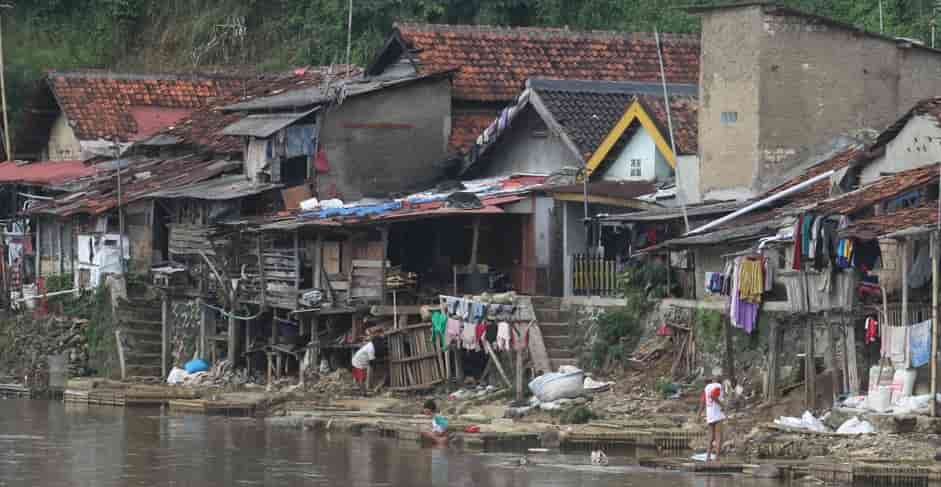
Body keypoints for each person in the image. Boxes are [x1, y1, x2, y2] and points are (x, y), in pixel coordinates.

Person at [698, 376, 726, 463]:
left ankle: (708, 457)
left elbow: (703, 401)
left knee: (711, 436)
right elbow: (713, 396)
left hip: (709, 413)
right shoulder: (718, 386)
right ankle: (717, 458)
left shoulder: (706, 387)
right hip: (717, 413)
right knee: (719, 436)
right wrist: (722, 405)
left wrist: (699, 414)